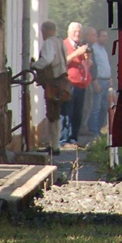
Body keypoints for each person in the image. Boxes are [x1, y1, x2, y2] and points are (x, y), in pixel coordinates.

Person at [33, 21, 68, 155]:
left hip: (53, 81)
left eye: (42, 32)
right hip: (61, 80)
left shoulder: (49, 42)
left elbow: (47, 59)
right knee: (56, 113)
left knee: (52, 113)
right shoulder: (60, 41)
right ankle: (55, 144)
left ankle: (54, 146)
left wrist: (35, 66)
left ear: (46, 31)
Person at [62, 20, 92, 147]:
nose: (77, 34)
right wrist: (76, 53)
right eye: (75, 31)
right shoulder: (64, 45)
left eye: (79, 32)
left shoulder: (81, 46)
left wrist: (87, 57)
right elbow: (63, 61)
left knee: (77, 113)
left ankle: (74, 137)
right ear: (69, 32)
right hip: (69, 83)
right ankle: (64, 139)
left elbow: (89, 65)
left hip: (81, 84)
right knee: (67, 111)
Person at [89, 27, 112, 138]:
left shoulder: (103, 49)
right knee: (96, 107)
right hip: (99, 80)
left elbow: (105, 65)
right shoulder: (94, 49)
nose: (105, 38)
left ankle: (99, 129)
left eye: (106, 36)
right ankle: (94, 132)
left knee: (104, 107)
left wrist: (110, 78)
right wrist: (95, 81)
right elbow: (93, 67)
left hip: (106, 80)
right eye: (103, 36)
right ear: (97, 37)